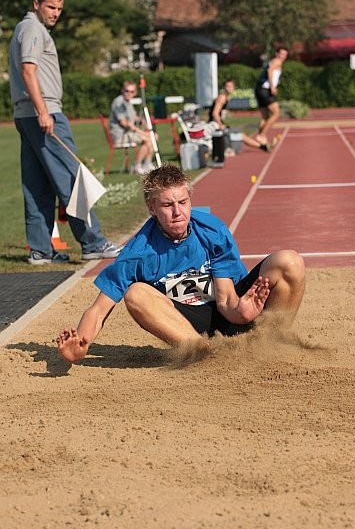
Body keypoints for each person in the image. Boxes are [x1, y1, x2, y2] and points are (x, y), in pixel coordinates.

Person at [57, 163, 305, 364]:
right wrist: (82, 344)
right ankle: (206, 355)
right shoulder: (137, 254)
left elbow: (226, 300)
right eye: (167, 205)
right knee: (136, 294)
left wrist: (240, 313)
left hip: (232, 308)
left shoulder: (211, 230)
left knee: (289, 261)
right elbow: (99, 310)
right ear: (151, 207)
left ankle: (272, 345)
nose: (178, 212)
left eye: (183, 202)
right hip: (190, 328)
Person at [9, 0, 122, 265]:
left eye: (59, 9)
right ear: (36, 4)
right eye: (51, 7)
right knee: (72, 180)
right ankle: (92, 242)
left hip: (26, 116)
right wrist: (44, 111)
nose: (56, 13)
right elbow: (28, 70)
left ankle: (40, 250)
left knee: (37, 185)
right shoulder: (33, 29)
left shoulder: (25, 28)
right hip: (44, 115)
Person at [209, 78, 272, 153]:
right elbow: (215, 113)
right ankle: (263, 147)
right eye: (227, 86)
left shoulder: (226, 97)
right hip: (214, 125)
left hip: (218, 123)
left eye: (231, 86)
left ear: (234, 87)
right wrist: (221, 125)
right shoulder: (222, 97)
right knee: (240, 135)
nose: (229, 88)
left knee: (239, 135)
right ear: (224, 87)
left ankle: (263, 147)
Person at [109, 81, 156, 175]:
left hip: (128, 133)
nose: (129, 93)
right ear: (122, 90)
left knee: (154, 136)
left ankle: (147, 163)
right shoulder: (119, 102)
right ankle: (137, 166)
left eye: (132, 91)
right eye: (127, 91)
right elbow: (124, 122)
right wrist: (140, 131)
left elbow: (134, 117)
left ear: (135, 93)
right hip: (120, 135)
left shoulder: (128, 102)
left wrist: (144, 121)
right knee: (149, 138)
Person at [254, 46, 288, 146]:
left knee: (265, 117)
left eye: (285, 55)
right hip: (265, 89)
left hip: (259, 89)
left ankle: (260, 138)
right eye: (282, 54)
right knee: (276, 113)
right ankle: (261, 135)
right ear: (277, 54)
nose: (284, 56)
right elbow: (270, 71)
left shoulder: (273, 61)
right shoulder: (277, 61)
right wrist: (272, 86)